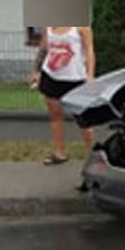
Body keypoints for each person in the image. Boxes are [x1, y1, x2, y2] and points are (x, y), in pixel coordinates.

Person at [29, 25, 95, 165]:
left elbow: (89, 50)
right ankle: (59, 153)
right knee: (55, 116)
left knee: (84, 119)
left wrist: (90, 75)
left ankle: (94, 156)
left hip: (75, 79)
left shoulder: (81, 27)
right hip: (52, 76)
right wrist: (36, 71)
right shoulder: (49, 27)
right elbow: (43, 49)